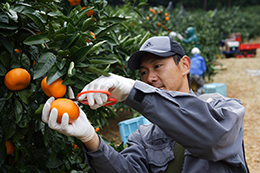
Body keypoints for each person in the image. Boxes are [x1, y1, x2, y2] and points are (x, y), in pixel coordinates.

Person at [42, 36, 249, 172]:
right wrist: (90, 138)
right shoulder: (144, 135)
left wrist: (135, 92)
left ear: (185, 65)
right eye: (143, 73)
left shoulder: (225, 110)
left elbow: (212, 139)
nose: (150, 78)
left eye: (158, 66)